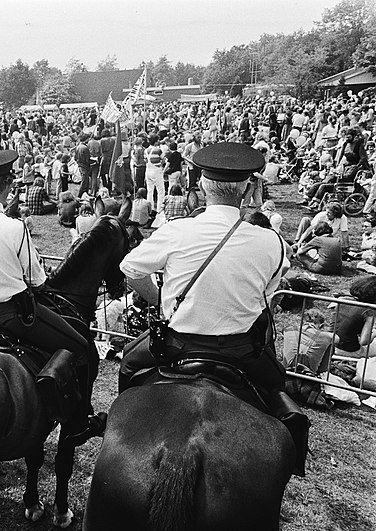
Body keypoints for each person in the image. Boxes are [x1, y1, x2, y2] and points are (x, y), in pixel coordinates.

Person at [117, 142, 308, 474]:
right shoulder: (272, 241)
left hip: (176, 345)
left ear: (203, 186)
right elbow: (270, 290)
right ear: (247, 188)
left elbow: (131, 268)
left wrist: (159, 303)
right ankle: (291, 462)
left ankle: (116, 426)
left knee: (128, 366)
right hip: (240, 351)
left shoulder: (177, 230)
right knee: (277, 385)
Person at [0, 150, 106, 446]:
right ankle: (77, 423)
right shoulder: (13, 227)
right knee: (80, 345)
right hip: (12, 317)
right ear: (8, 186)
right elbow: (36, 280)